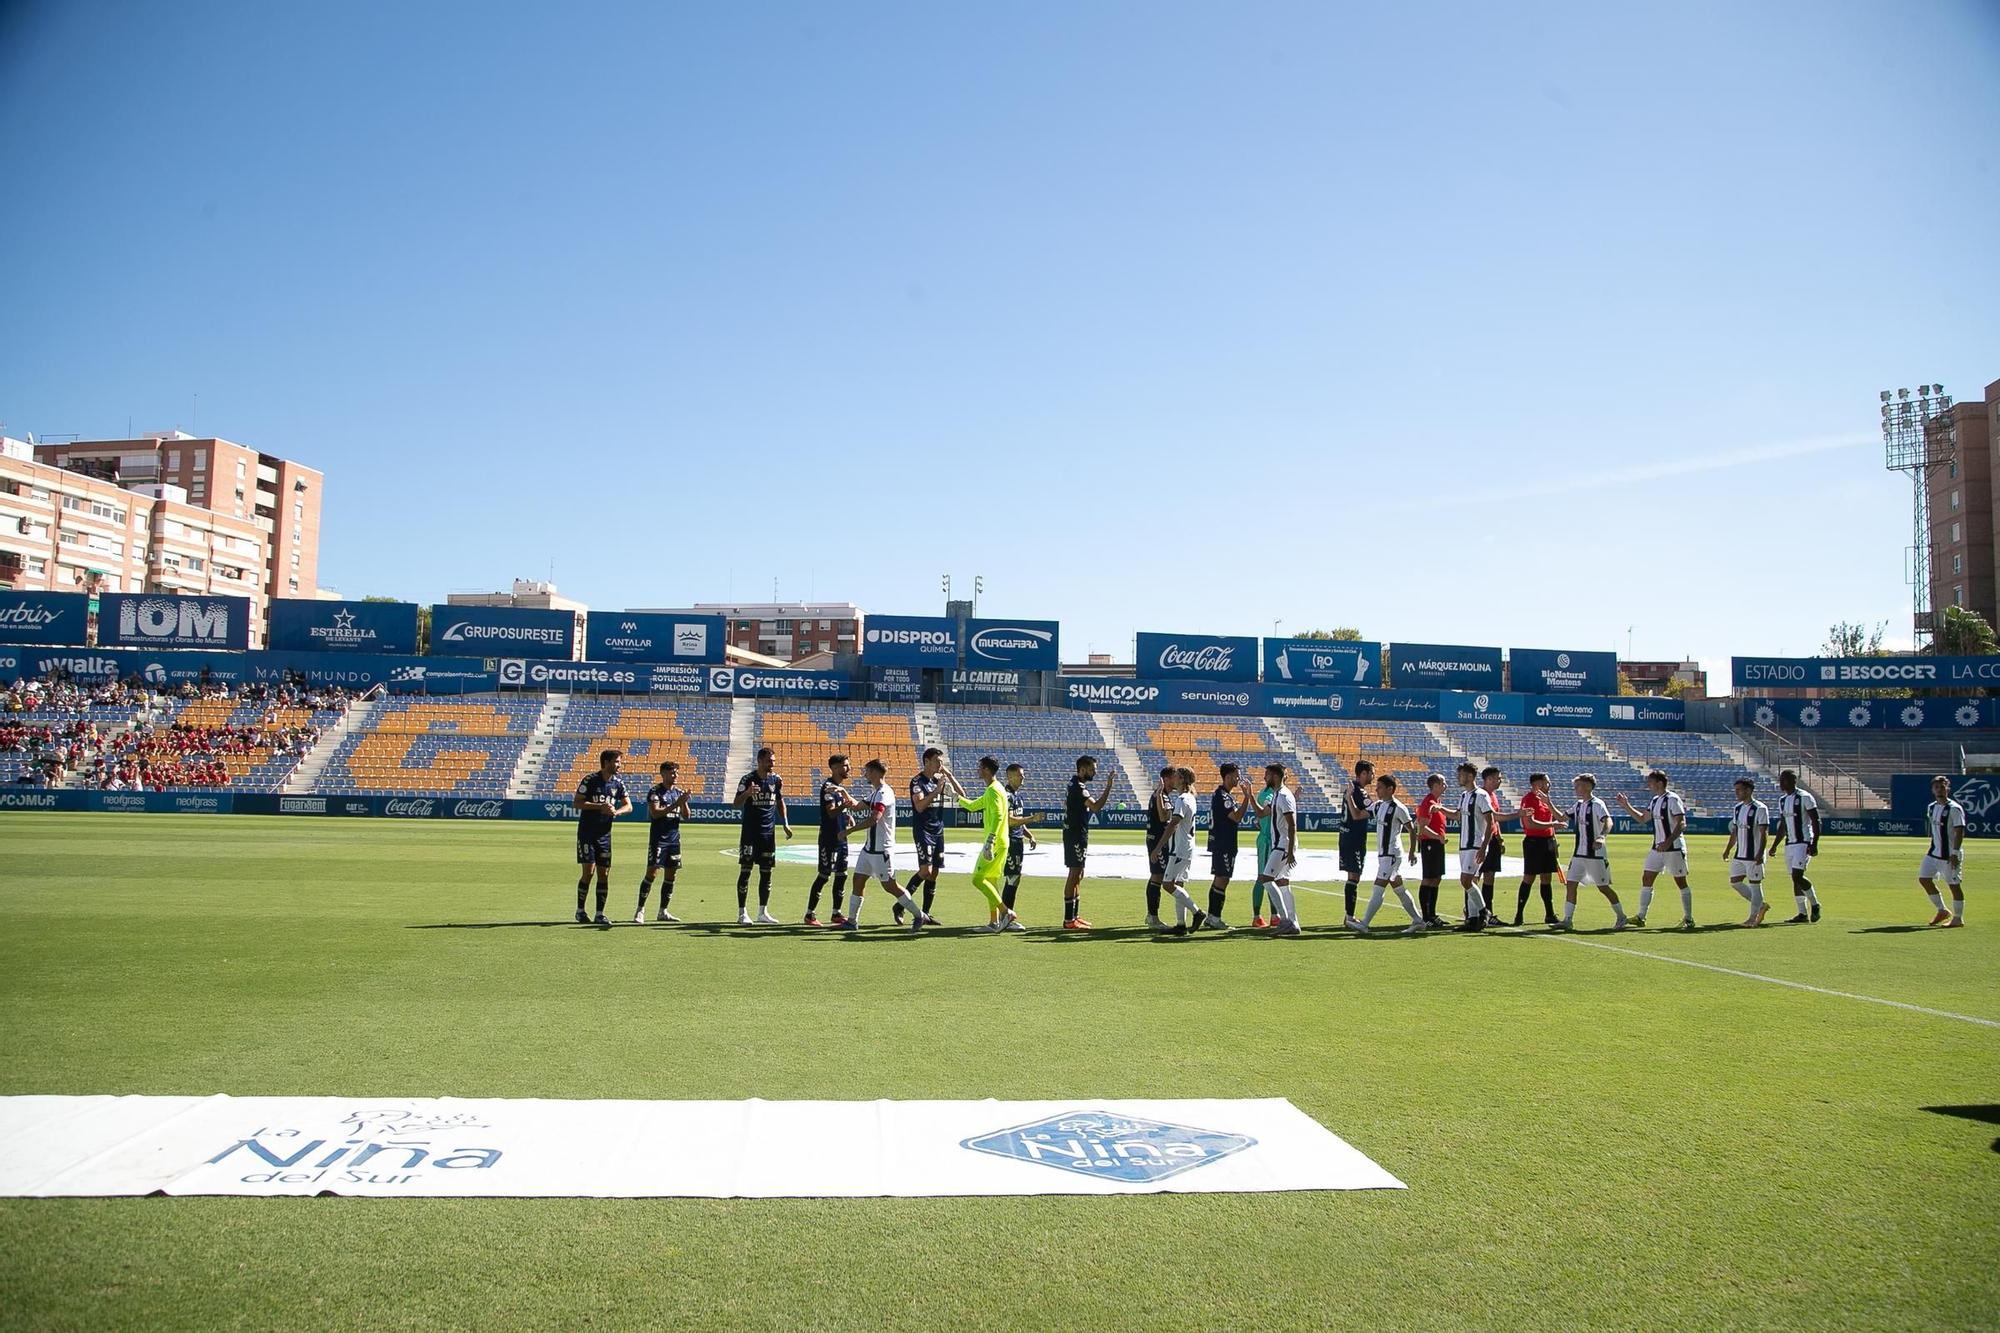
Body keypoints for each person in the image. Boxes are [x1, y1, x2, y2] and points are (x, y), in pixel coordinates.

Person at [841, 758, 932, 932]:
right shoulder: (875, 792)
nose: (865, 774)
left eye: (867, 771)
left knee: (890, 886)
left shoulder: (884, 793)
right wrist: (844, 793)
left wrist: (850, 831)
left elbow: (875, 818)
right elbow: (857, 806)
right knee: (858, 880)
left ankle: (919, 916)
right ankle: (852, 921)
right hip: (869, 849)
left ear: (875, 772)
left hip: (881, 849)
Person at [954, 755, 1026, 933]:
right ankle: (994, 922)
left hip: (995, 842)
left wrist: (990, 840)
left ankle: (1005, 912)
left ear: (986, 769)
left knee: (977, 879)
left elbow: (1000, 815)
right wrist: (955, 797)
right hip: (1002, 842)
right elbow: (972, 806)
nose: (977, 770)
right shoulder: (996, 789)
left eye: (980, 767)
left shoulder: (994, 791)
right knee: (991, 882)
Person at [1618, 770, 1695, 930]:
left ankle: (1689, 918)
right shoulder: (1654, 801)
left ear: (1659, 783)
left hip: (1673, 848)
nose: (1649, 785)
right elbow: (1642, 819)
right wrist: (1626, 806)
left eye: (1651, 782)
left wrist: (1668, 841)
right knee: (1647, 877)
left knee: (1680, 881)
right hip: (1657, 848)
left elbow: (1681, 823)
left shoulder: (1672, 799)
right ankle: (1641, 916)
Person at [1353, 774, 1425, 935]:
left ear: (1390, 789)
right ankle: (1418, 920)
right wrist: (1349, 797)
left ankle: (1365, 923)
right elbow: (1357, 815)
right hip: (1384, 855)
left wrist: (1412, 852)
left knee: (1378, 888)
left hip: (1391, 854)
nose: (1376, 790)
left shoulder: (1398, 807)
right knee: (1398, 888)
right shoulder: (1378, 806)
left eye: (1379, 787)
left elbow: (1412, 830)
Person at [1556, 773, 1625, 930]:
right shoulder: (1578, 804)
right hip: (1579, 854)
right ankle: (1568, 920)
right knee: (1571, 884)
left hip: (1595, 855)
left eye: (1578, 785)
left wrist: (1601, 836)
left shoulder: (1597, 804)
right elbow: (1561, 817)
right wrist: (1548, 802)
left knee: (1603, 888)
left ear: (1587, 786)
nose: (1575, 789)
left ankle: (1621, 916)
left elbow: (1608, 821)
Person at [1154, 766, 1217, 935]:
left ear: (1181, 779)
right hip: (1187, 847)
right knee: (1178, 884)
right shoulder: (1190, 798)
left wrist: (1158, 847)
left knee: (1168, 884)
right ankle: (1181, 924)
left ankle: (1197, 912)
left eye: (1175, 776)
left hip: (1179, 848)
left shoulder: (1182, 799)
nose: (1172, 779)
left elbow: (1173, 823)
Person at [733, 746, 792, 926]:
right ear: (759, 761)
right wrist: (747, 794)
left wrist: (785, 823)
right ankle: (742, 913)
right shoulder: (748, 779)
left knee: (766, 873)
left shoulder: (776, 780)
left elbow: (780, 801)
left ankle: (762, 912)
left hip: (768, 834)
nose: (772, 764)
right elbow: (736, 804)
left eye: (773, 761)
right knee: (746, 871)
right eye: (769, 761)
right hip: (751, 833)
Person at [572, 748, 631, 925]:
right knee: (588, 872)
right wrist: (599, 806)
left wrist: (616, 812)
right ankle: (580, 911)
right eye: (617, 762)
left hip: (605, 836)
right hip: (587, 834)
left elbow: (629, 806)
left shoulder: (618, 784)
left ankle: (599, 913)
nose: (620, 765)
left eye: (620, 761)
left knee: (604, 873)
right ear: (607, 763)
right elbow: (577, 802)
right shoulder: (590, 780)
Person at [634, 759, 691, 923]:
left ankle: (663, 911)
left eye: (677, 772)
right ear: (663, 773)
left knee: (671, 876)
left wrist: (684, 803)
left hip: (674, 840)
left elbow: (686, 816)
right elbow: (655, 813)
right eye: (672, 772)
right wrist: (676, 804)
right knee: (651, 874)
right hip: (659, 840)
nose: (675, 775)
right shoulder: (655, 792)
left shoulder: (678, 793)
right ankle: (640, 910)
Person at [1059, 755, 1113, 930]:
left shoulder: (1073, 784)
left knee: (1079, 874)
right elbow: (1096, 807)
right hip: (1075, 834)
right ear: (1082, 769)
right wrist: (1108, 787)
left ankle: (1074, 916)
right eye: (1092, 770)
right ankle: (1069, 920)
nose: (1094, 773)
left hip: (1076, 832)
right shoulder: (1079, 787)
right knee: (1074, 874)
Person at [807, 754, 860, 926]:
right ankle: (810, 915)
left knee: (841, 876)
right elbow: (830, 812)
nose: (849, 768)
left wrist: (847, 816)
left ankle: (836, 913)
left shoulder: (838, 787)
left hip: (841, 838)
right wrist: (845, 806)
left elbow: (838, 812)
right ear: (835, 768)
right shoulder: (829, 788)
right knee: (824, 876)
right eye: (845, 765)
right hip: (829, 839)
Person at [897, 748, 949, 923]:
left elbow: (962, 794)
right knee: (925, 871)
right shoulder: (917, 781)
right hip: (924, 831)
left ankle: (925, 914)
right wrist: (935, 792)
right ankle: (900, 905)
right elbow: (919, 806)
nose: (940, 764)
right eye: (937, 761)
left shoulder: (937, 780)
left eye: (941, 761)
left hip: (938, 830)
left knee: (934, 873)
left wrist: (948, 775)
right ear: (927, 761)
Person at [1250, 763, 1302, 936]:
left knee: (1266, 878)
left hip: (1282, 844)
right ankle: (1292, 922)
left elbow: (1292, 824)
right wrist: (1249, 795)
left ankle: (1285, 920)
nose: (1265, 778)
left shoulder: (1284, 796)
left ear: (1275, 776)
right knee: (1283, 883)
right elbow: (1262, 813)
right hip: (1281, 844)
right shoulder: (1278, 795)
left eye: (1267, 775)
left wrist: (1290, 850)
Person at [1511, 772, 1564, 927]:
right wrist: (1552, 825)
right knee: (1529, 877)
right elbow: (1530, 824)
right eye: (1547, 782)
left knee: (1546, 877)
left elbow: (1553, 819)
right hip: (1534, 842)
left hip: (1547, 841)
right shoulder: (1529, 799)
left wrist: (1554, 839)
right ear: (1537, 784)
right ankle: (1519, 914)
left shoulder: (1545, 800)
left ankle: (1549, 914)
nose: (1549, 784)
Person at [1206, 762, 1251, 929]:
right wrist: (1247, 797)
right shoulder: (1224, 797)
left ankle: (1211, 917)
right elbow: (1236, 817)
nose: (1238, 779)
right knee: (1222, 879)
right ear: (1228, 777)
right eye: (1236, 775)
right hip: (1224, 843)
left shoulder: (1224, 795)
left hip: (1222, 842)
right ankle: (1215, 918)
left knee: (1219, 878)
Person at [1720, 777, 1770, 928]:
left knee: (1755, 884)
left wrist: (1760, 853)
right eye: (1736, 790)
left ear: (1748, 790)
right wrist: (1728, 849)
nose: (1736, 793)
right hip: (1739, 854)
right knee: (1735, 882)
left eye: (1739, 790)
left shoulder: (1760, 808)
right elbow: (1735, 831)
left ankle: (1753, 917)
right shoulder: (1738, 808)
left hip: (1753, 854)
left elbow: (1764, 832)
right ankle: (1760, 905)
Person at [1919, 774, 1967, 928]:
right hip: (1933, 852)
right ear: (1933, 790)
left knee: (1954, 885)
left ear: (1948, 788)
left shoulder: (1954, 808)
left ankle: (1958, 918)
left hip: (1949, 855)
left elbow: (1959, 831)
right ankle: (1942, 910)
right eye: (1937, 787)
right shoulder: (1931, 807)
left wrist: (1954, 853)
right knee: (1924, 879)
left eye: (1942, 787)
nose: (1940, 789)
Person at [1774, 769, 1822, 923]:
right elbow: (1783, 825)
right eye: (1780, 780)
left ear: (1793, 781)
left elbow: (1816, 821)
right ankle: (1802, 914)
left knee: (1797, 876)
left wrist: (1814, 844)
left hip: (1803, 842)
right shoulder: (1782, 800)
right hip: (1790, 844)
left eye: (1784, 780)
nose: (1781, 783)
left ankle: (1815, 904)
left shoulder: (1805, 797)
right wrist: (1775, 845)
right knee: (1795, 879)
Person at [1454, 763, 1496, 931]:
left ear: (1470, 776)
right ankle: (1472, 920)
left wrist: (1483, 846)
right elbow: (1457, 816)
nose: (1459, 778)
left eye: (1461, 775)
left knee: (1466, 880)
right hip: (1463, 845)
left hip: (1475, 845)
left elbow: (1490, 822)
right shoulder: (1464, 795)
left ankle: (1483, 911)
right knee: (1470, 881)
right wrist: (1440, 809)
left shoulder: (1481, 795)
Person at [1337, 760, 1376, 925]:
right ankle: (1349, 917)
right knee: (1354, 876)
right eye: (1372, 773)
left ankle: (1348, 915)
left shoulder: (1350, 789)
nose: (1373, 776)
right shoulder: (1360, 792)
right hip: (1355, 838)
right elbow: (1369, 810)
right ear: (1364, 774)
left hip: (1345, 837)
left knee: (1352, 876)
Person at [1411, 773, 1450, 929]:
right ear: (1434, 785)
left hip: (1436, 843)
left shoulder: (1437, 802)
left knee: (1436, 878)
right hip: (1430, 844)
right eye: (1442, 782)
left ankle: (1432, 914)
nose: (1445, 785)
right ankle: (1426, 916)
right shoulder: (1428, 802)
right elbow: (1422, 827)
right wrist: (1437, 837)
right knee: (1428, 878)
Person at [999, 762, 1039, 914]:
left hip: (1017, 841)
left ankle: (1006, 914)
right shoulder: (1007, 796)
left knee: (1014, 877)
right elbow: (1010, 821)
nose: (1023, 777)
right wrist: (1032, 819)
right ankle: (1006, 915)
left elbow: (1019, 821)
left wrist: (1029, 835)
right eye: (1020, 775)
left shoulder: (1017, 797)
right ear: (1009, 777)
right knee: (1012, 877)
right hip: (1009, 841)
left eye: (1023, 775)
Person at [1476, 766, 1513, 926]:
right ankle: (1474, 911)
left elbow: (1494, 822)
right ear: (1488, 779)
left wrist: (1499, 838)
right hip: (1482, 840)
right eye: (1497, 778)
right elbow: (1494, 817)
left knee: (1489, 876)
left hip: (1492, 839)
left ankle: (1486, 911)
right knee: (1475, 877)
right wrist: (1517, 814)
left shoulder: (1493, 796)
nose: (1499, 781)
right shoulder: (1482, 796)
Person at [1143, 764, 1176, 931]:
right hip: (1157, 840)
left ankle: (1152, 915)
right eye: (1174, 777)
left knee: (1157, 876)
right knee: (1157, 876)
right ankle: (1153, 916)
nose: (1177, 780)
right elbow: (1163, 817)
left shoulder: (1164, 795)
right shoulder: (1160, 795)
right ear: (1166, 779)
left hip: (1157, 840)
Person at [1250, 766, 1281, 928]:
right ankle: (1257, 916)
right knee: (1263, 878)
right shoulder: (1268, 795)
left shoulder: (1273, 794)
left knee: (1270, 878)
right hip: (1267, 841)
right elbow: (1264, 812)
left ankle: (1274, 915)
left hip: (1271, 840)